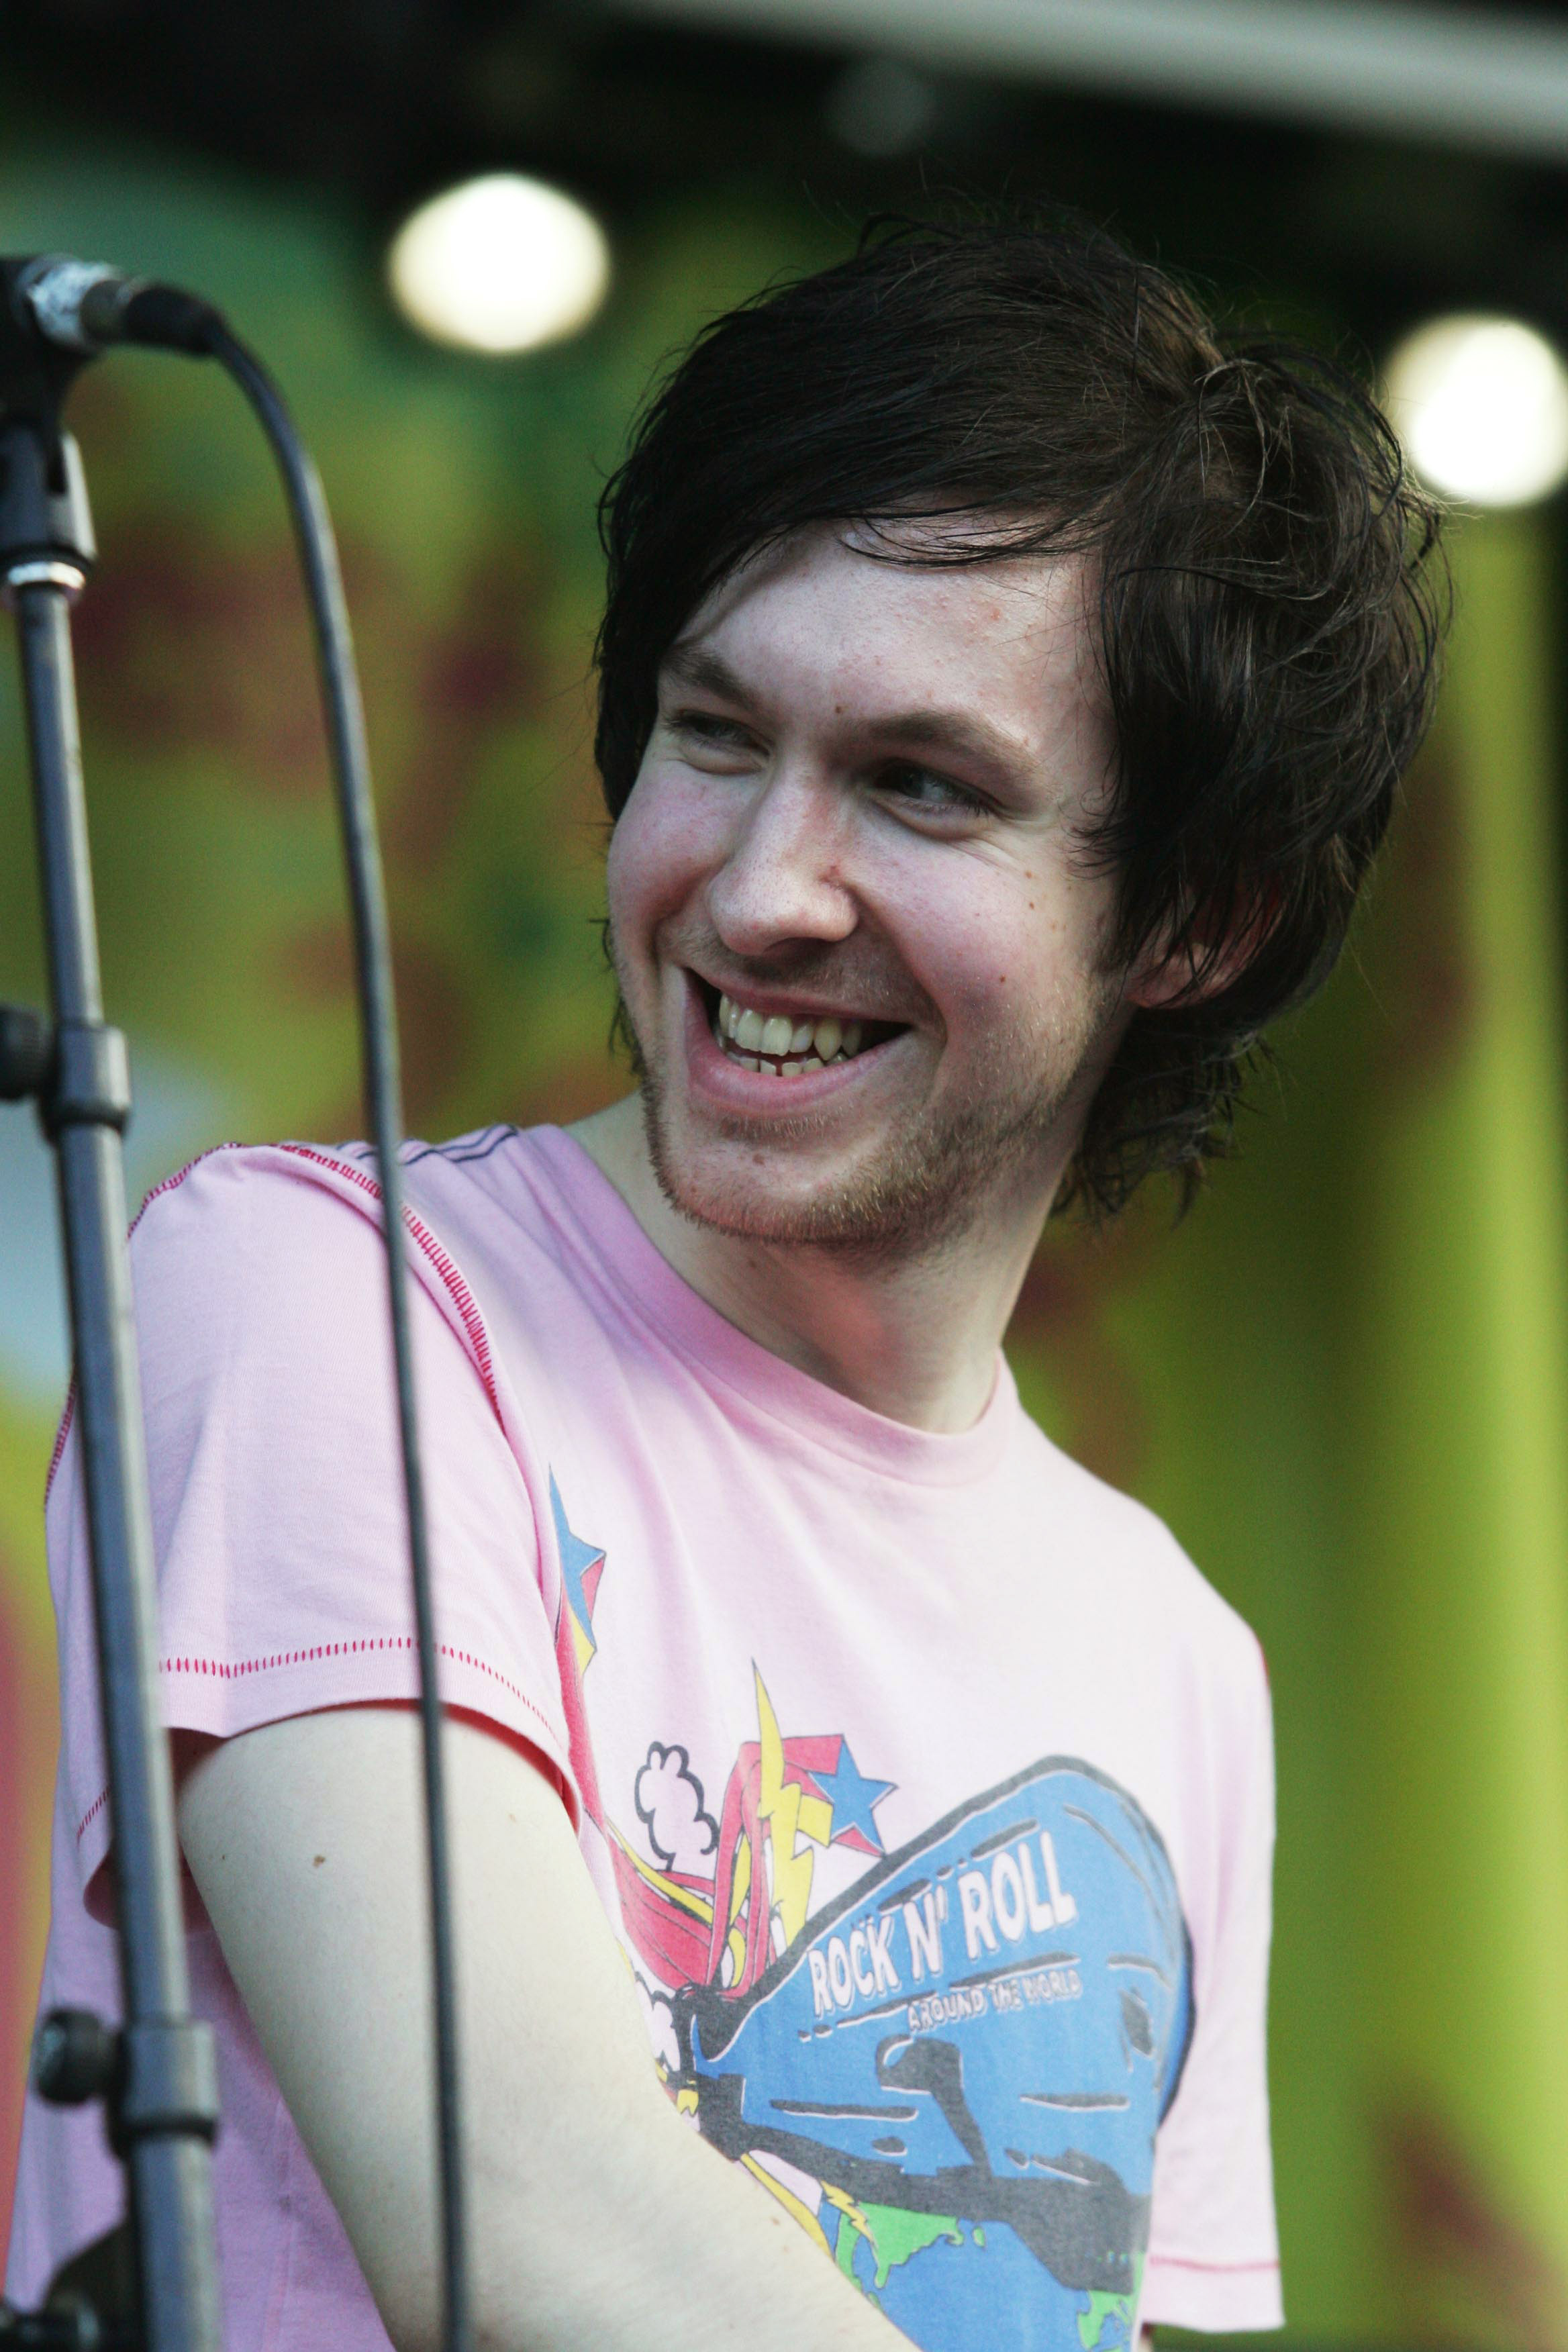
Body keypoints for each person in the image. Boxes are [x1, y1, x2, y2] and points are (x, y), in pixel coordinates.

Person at [7, 215, 1443, 2352]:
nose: (762, 888)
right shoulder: (323, 1302)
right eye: (712, 732)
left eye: (920, 788)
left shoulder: (1172, 1655)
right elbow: (526, 2226)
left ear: (1196, 921)